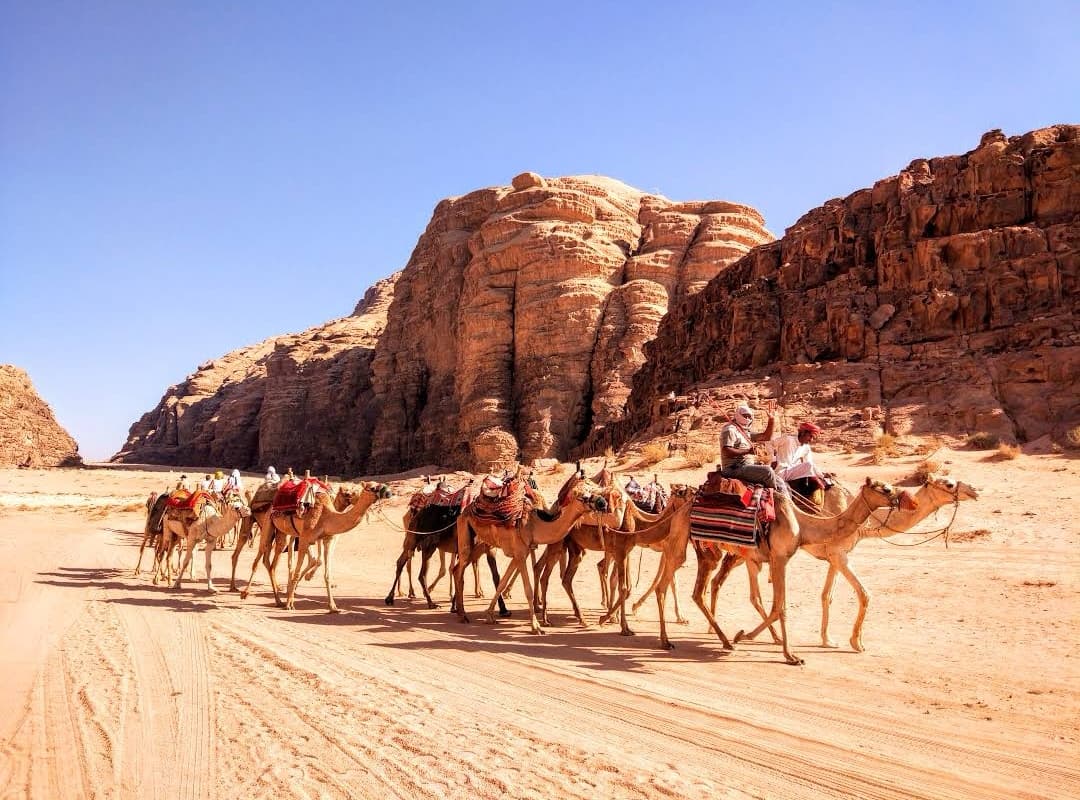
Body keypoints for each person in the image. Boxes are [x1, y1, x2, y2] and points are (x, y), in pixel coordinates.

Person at [718, 402, 788, 495]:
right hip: (734, 468)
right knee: (767, 471)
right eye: (744, 416)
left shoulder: (745, 431)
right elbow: (726, 451)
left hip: (745, 466)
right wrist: (748, 451)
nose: (747, 419)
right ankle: (776, 498)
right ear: (738, 415)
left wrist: (771, 420)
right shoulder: (730, 430)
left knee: (779, 480)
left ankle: (782, 497)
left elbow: (765, 437)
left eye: (749, 417)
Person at [769, 421, 827, 502]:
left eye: (813, 438)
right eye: (810, 436)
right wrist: (773, 459)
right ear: (803, 433)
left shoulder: (806, 448)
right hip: (781, 471)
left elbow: (810, 463)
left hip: (792, 473)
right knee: (809, 466)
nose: (811, 440)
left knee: (810, 466)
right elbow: (770, 444)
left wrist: (822, 476)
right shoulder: (788, 439)